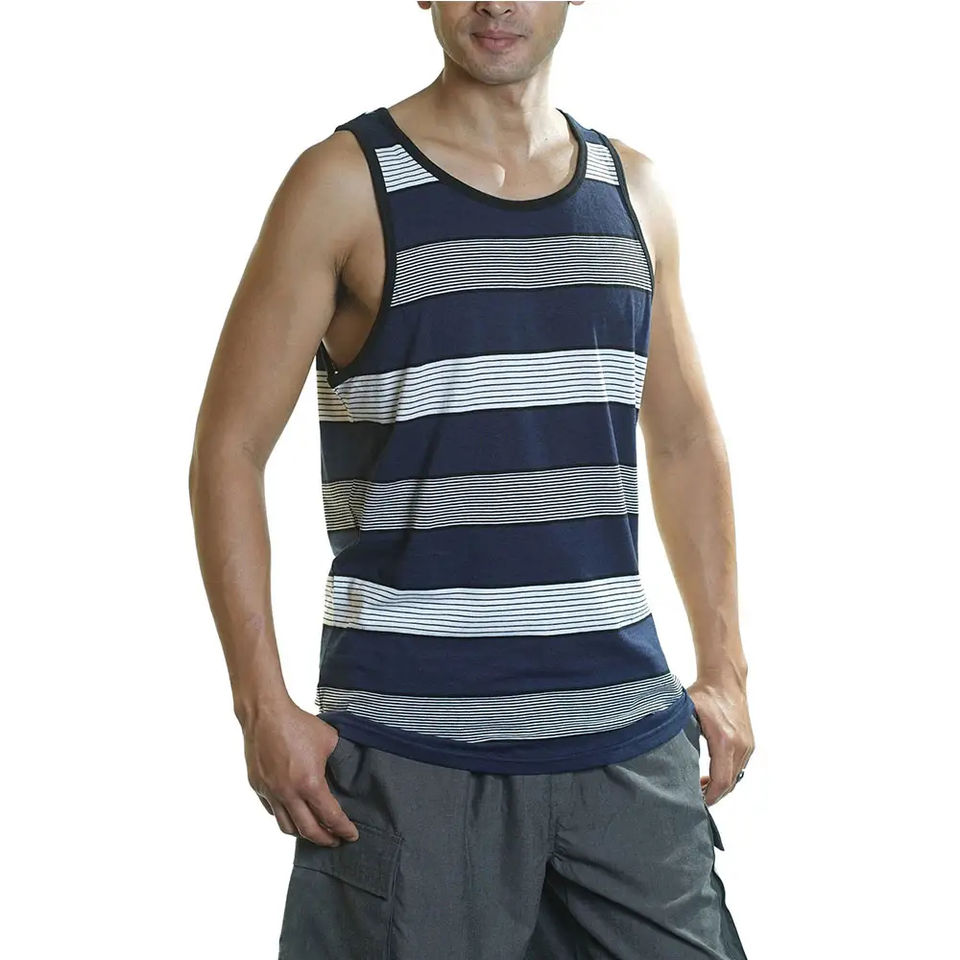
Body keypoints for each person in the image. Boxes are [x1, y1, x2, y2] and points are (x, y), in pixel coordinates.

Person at [188, 2, 754, 957]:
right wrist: (261, 706)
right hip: (410, 760)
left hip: (625, 744)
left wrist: (727, 669)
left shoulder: (634, 192)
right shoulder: (344, 185)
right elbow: (228, 451)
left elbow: (686, 439)